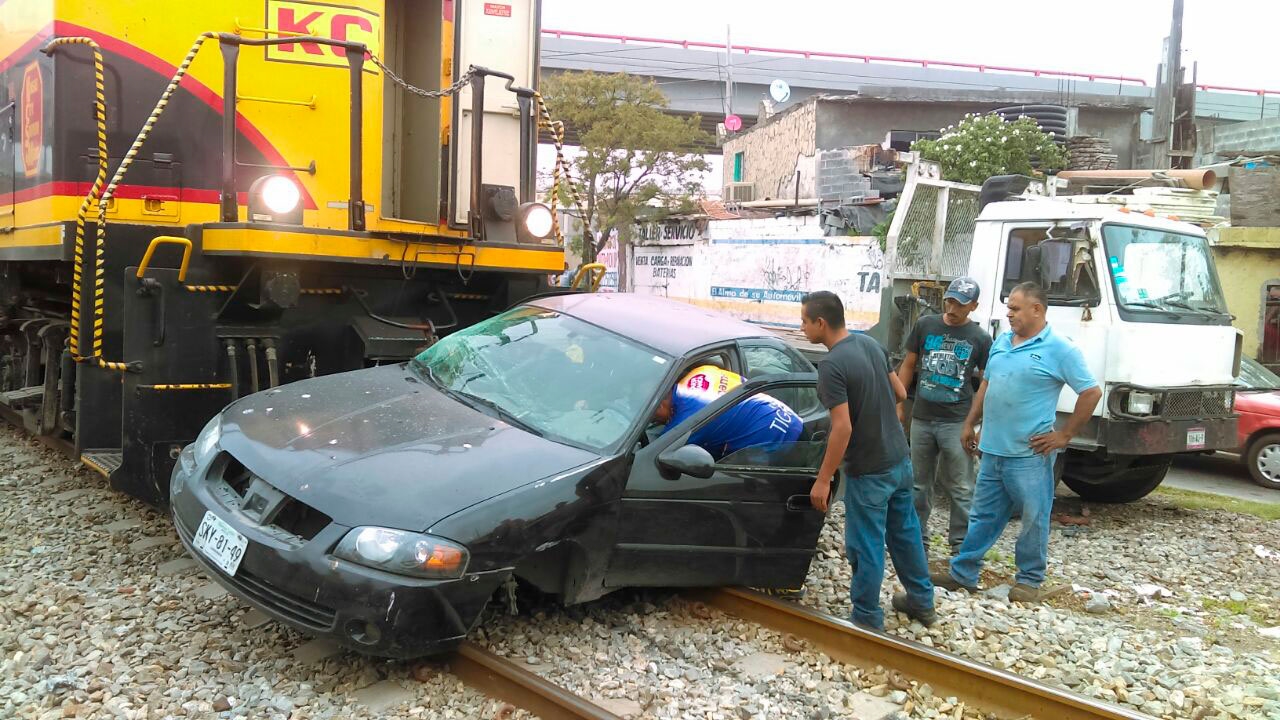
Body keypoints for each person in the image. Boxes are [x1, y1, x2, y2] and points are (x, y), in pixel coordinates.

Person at [932, 282, 1102, 603]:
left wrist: (1064, 435)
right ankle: (963, 573)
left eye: (1015, 309)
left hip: (1029, 454)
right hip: (993, 449)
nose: (1008, 314)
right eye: (1008, 308)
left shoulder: (1060, 349)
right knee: (982, 515)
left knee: (1033, 518)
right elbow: (988, 384)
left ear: (1037, 309)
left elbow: (1091, 392)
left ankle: (1029, 580)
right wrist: (971, 423)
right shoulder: (1002, 343)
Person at [801, 290, 936, 629]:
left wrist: (823, 479)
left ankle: (866, 618)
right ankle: (922, 601)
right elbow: (901, 393)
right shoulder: (870, 345)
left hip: (870, 470)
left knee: (866, 544)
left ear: (821, 323)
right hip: (899, 461)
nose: (801, 328)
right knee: (905, 535)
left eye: (804, 321)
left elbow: (842, 428)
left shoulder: (831, 365)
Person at [897, 277, 993, 555]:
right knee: (917, 484)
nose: (952, 308)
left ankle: (961, 546)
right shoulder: (925, 325)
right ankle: (916, 542)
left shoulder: (980, 338)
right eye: (949, 301)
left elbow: (987, 383)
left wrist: (975, 423)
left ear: (973, 306)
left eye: (960, 304)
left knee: (962, 486)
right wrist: (899, 402)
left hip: (957, 422)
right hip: (923, 419)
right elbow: (909, 364)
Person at [653, 364, 802, 460]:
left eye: (653, 418)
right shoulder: (699, 372)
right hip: (786, 417)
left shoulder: (688, 417)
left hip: (774, 437)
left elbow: (656, 454)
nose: (655, 422)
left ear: (660, 405)